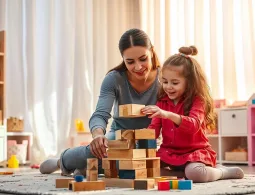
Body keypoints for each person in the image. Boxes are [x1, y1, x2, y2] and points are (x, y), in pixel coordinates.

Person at [39, 28, 161, 175]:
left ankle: (88, 167)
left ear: (152, 52)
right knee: (98, 152)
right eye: (130, 62)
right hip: (118, 137)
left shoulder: (165, 79)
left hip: (151, 141)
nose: (138, 67)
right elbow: (100, 114)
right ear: (123, 59)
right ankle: (62, 161)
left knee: (142, 164)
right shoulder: (114, 79)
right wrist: (98, 135)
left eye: (143, 59)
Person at [141, 46, 244, 183]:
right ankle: (183, 174)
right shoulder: (162, 102)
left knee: (196, 173)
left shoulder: (198, 100)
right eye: (165, 82)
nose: (168, 87)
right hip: (169, 154)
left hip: (194, 153)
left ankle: (222, 171)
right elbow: (153, 130)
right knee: (146, 169)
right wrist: (137, 137)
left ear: (189, 83)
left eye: (175, 82)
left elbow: (193, 125)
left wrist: (167, 115)